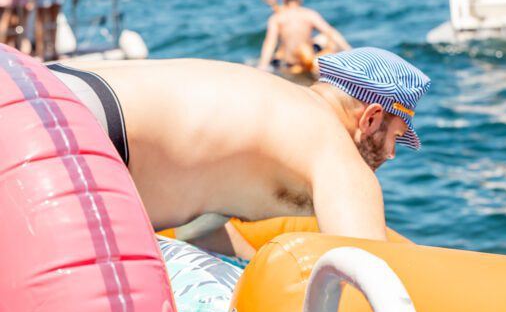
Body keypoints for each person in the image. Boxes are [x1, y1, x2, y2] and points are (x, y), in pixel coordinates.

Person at [47, 48, 431, 257]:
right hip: (79, 135)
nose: (393, 154)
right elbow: (368, 275)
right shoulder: (332, 147)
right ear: (371, 117)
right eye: (396, 136)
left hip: (45, 88)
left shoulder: (273, 103)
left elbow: (200, 230)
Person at [259, 0, 351, 75]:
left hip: (290, 65)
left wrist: (262, 66)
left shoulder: (277, 18)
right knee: (324, 37)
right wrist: (349, 50)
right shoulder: (309, 14)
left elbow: (270, 43)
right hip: (309, 60)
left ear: (284, 1)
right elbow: (331, 32)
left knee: (280, 52)